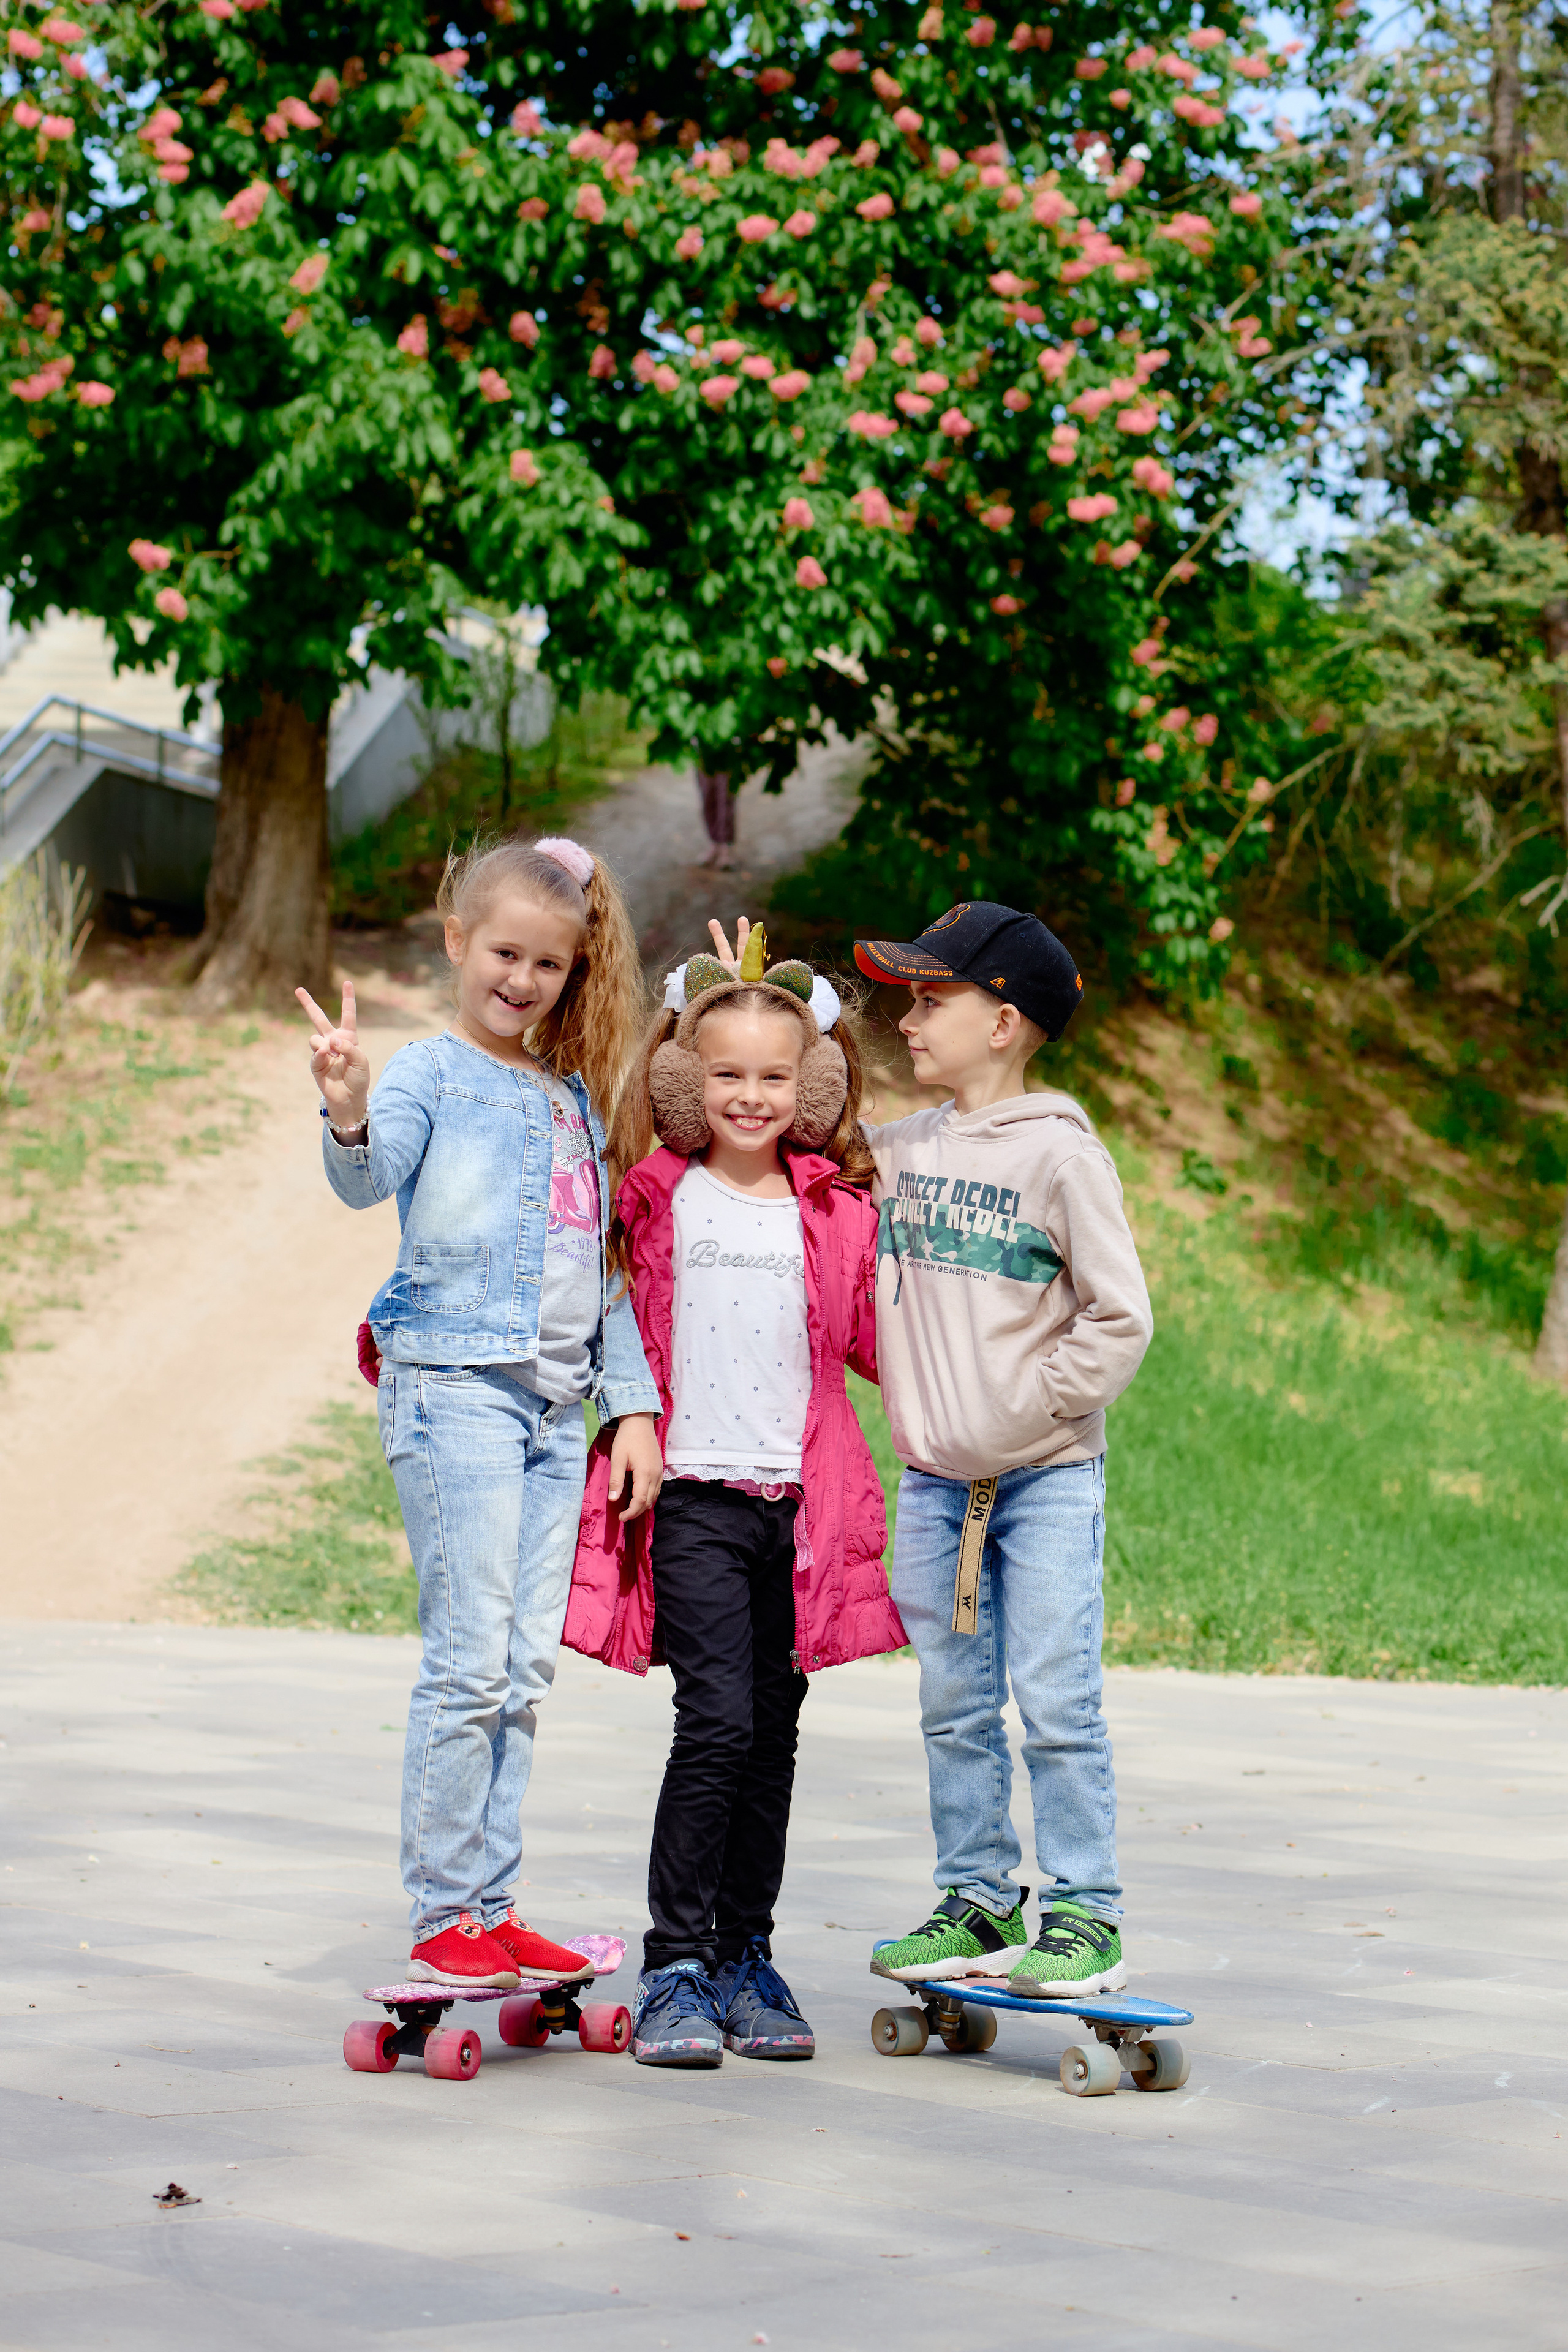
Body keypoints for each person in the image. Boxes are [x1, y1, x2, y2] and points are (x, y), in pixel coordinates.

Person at [295, 835, 664, 1993]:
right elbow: (366, 1181)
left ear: (572, 972)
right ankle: (443, 1911)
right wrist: (347, 1108)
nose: (523, 980)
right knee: (468, 1664)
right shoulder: (426, 1076)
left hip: (557, 1412)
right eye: (504, 952)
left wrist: (636, 1410)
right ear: (458, 943)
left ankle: (493, 1907)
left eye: (549, 965)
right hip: (456, 1387)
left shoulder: (570, 1103)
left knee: (521, 1669)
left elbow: (601, 1270)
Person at [566, 935, 905, 2066]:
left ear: (807, 1083)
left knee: (775, 1734)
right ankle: (674, 1967)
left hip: (801, 1509)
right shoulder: (655, 1199)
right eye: (725, 1074)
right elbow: (605, 1315)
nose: (750, 1096)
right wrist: (629, 1419)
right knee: (714, 1724)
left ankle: (748, 1957)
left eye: (774, 1075)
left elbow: (873, 1339)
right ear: (683, 1080)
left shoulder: (835, 1209)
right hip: (697, 1498)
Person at [850, 901, 1153, 1996]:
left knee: (1056, 1697)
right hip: (935, 1486)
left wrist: (1040, 1410)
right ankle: (977, 1900)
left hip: (1047, 1481)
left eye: (935, 1001)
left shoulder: (1063, 1157)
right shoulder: (903, 1149)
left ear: (1007, 1022)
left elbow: (1122, 1317)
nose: (910, 1019)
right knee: (953, 1699)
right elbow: (801, 1129)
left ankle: (1085, 1914)